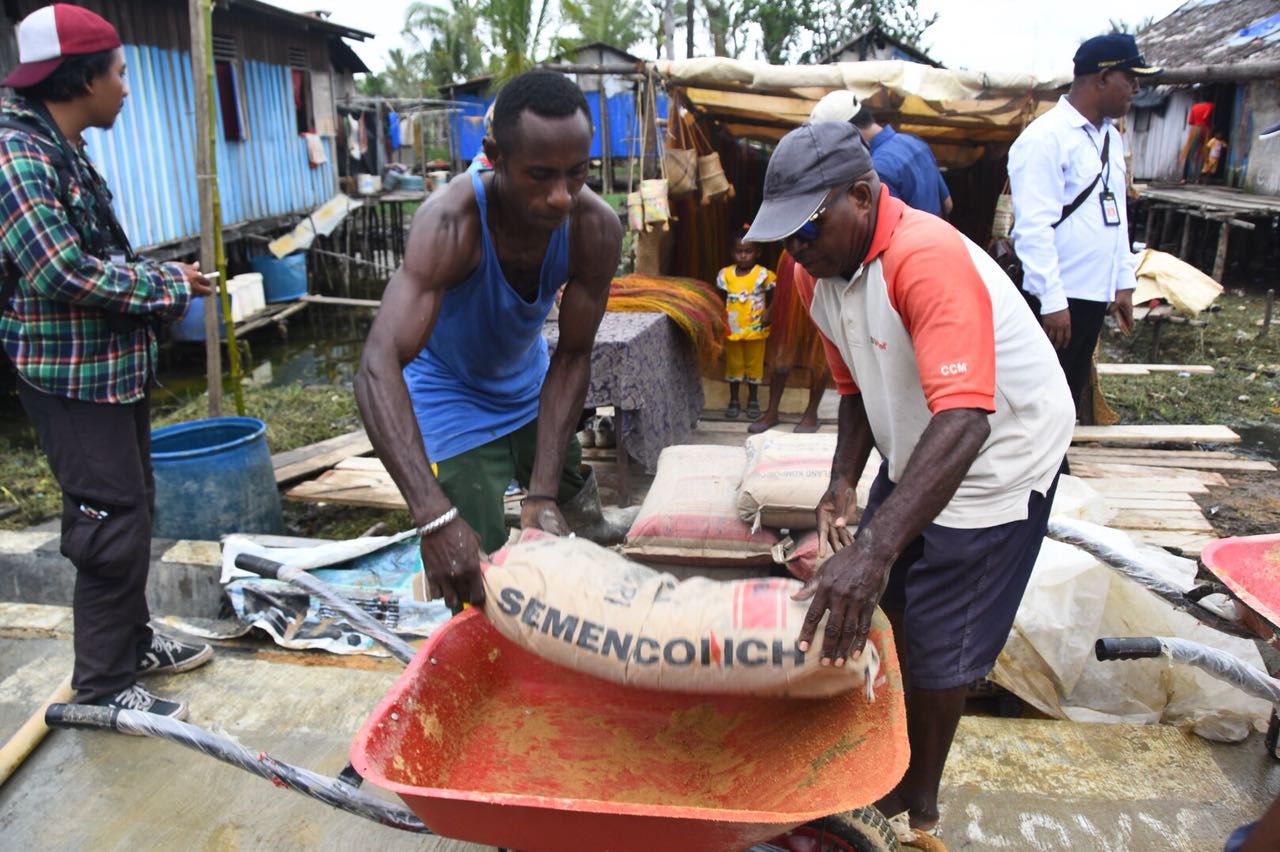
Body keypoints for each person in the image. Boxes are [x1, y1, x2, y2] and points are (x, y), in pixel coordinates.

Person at [744, 121, 1074, 833]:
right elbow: (857, 386)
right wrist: (843, 481)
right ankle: (884, 756)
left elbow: (967, 423)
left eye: (807, 228)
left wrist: (872, 547)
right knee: (880, 600)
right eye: (786, 235)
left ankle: (915, 803)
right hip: (924, 440)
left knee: (936, 635)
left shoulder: (923, 258)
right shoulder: (814, 273)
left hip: (996, 456)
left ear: (862, 197)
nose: (795, 249)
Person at [0, 4, 214, 718]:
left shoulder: (59, 147)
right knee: (107, 524)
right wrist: (165, 285)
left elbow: (93, 255)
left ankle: (132, 642)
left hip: (110, 372)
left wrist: (165, 275)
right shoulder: (17, 156)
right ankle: (101, 687)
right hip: (71, 381)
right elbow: (59, 270)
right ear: (79, 77)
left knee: (132, 508)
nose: (126, 87)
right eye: (119, 72)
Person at [355, 69, 624, 612]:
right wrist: (432, 517)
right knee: (469, 561)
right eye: (540, 176)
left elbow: (572, 355)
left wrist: (542, 494)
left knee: (570, 506)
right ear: (494, 156)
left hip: (525, 379)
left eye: (577, 173)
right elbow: (376, 364)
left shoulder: (595, 228)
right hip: (447, 389)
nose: (560, 198)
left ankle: (587, 566)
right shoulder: (450, 224)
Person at [1007, 33, 1158, 415]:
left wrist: (1123, 282)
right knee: (1042, 401)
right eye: (1130, 77)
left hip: (1092, 294)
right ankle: (1042, 472)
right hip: (1059, 297)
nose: (1136, 87)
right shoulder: (1046, 139)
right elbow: (1033, 229)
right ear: (1103, 78)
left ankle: (1054, 468)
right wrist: (1053, 302)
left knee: (1066, 397)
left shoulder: (1109, 136)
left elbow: (1116, 216)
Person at [809, 90, 952, 219]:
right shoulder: (916, 142)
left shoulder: (875, 170)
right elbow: (948, 204)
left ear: (847, 132)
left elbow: (889, 229)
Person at [747, 250, 830, 434]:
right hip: (789, 291)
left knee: (820, 356)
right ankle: (771, 412)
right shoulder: (787, 249)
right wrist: (773, 308)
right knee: (781, 355)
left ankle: (811, 413)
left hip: (821, 295)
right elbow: (782, 286)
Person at [715, 231, 775, 419]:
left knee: (754, 365)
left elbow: (778, 292)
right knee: (734, 365)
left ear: (757, 252)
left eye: (748, 251)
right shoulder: (726, 274)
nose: (743, 255)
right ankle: (734, 400)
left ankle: (753, 400)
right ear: (732, 253)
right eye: (739, 251)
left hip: (756, 328)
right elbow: (720, 298)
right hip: (733, 328)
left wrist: (769, 312)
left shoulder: (763, 275)